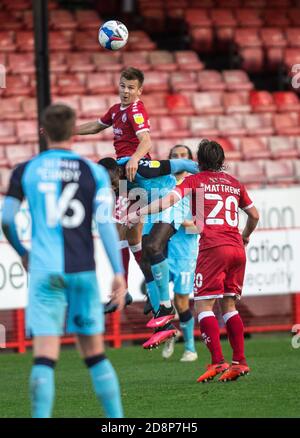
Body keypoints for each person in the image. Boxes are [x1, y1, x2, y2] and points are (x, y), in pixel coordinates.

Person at [1, 104, 126, 418]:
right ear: (74, 131)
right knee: (95, 355)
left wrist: (23, 252)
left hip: (45, 273)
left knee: (44, 358)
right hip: (82, 272)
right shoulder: (94, 172)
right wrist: (118, 272)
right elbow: (105, 224)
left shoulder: (25, 170)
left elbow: (6, 218)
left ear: (44, 131)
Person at [127, 139, 259, 381]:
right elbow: (254, 214)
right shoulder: (234, 183)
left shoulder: (194, 180)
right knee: (229, 306)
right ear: (222, 161)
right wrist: (245, 236)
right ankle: (239, 362)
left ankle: (217, 362)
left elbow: (168, 201)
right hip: (237, 249)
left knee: (204, 307)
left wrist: (140, 211)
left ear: (198, 161)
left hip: (213, 248)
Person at [97, 155, 200, 349]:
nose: (110, 189)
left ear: (119, 172)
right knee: (145, 260)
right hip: (152, 207)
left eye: (111, 184)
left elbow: (184, 164)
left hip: (172, 200)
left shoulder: (144, 168)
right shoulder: (120, 183)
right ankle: (162, 326)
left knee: (152, 247)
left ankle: (166, 307)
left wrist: (211, 176)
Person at [75, 67, 151, 303]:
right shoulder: (117, 110)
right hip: (123, 178)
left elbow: (146, 141)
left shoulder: (137, 110)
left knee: (127, 234)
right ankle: (141, 288)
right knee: (129, 237)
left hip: (134, 175)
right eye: (122, 86)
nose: (126, 91)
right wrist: (70, 131)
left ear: (139, 90)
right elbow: (97, 126)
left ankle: (140, 288)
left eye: (131, 87)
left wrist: (136, 159)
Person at [161, 145, 199, 362]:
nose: (179, 160)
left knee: (181, 301)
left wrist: (178, 220)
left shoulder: (197, 188)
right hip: (160, 250)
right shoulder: (164, 185)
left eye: (183, 156)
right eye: (174, 156)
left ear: (191, 160)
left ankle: (190, 348)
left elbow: (200, 227)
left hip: (184, 253)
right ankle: (169, 332)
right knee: (157, 298)